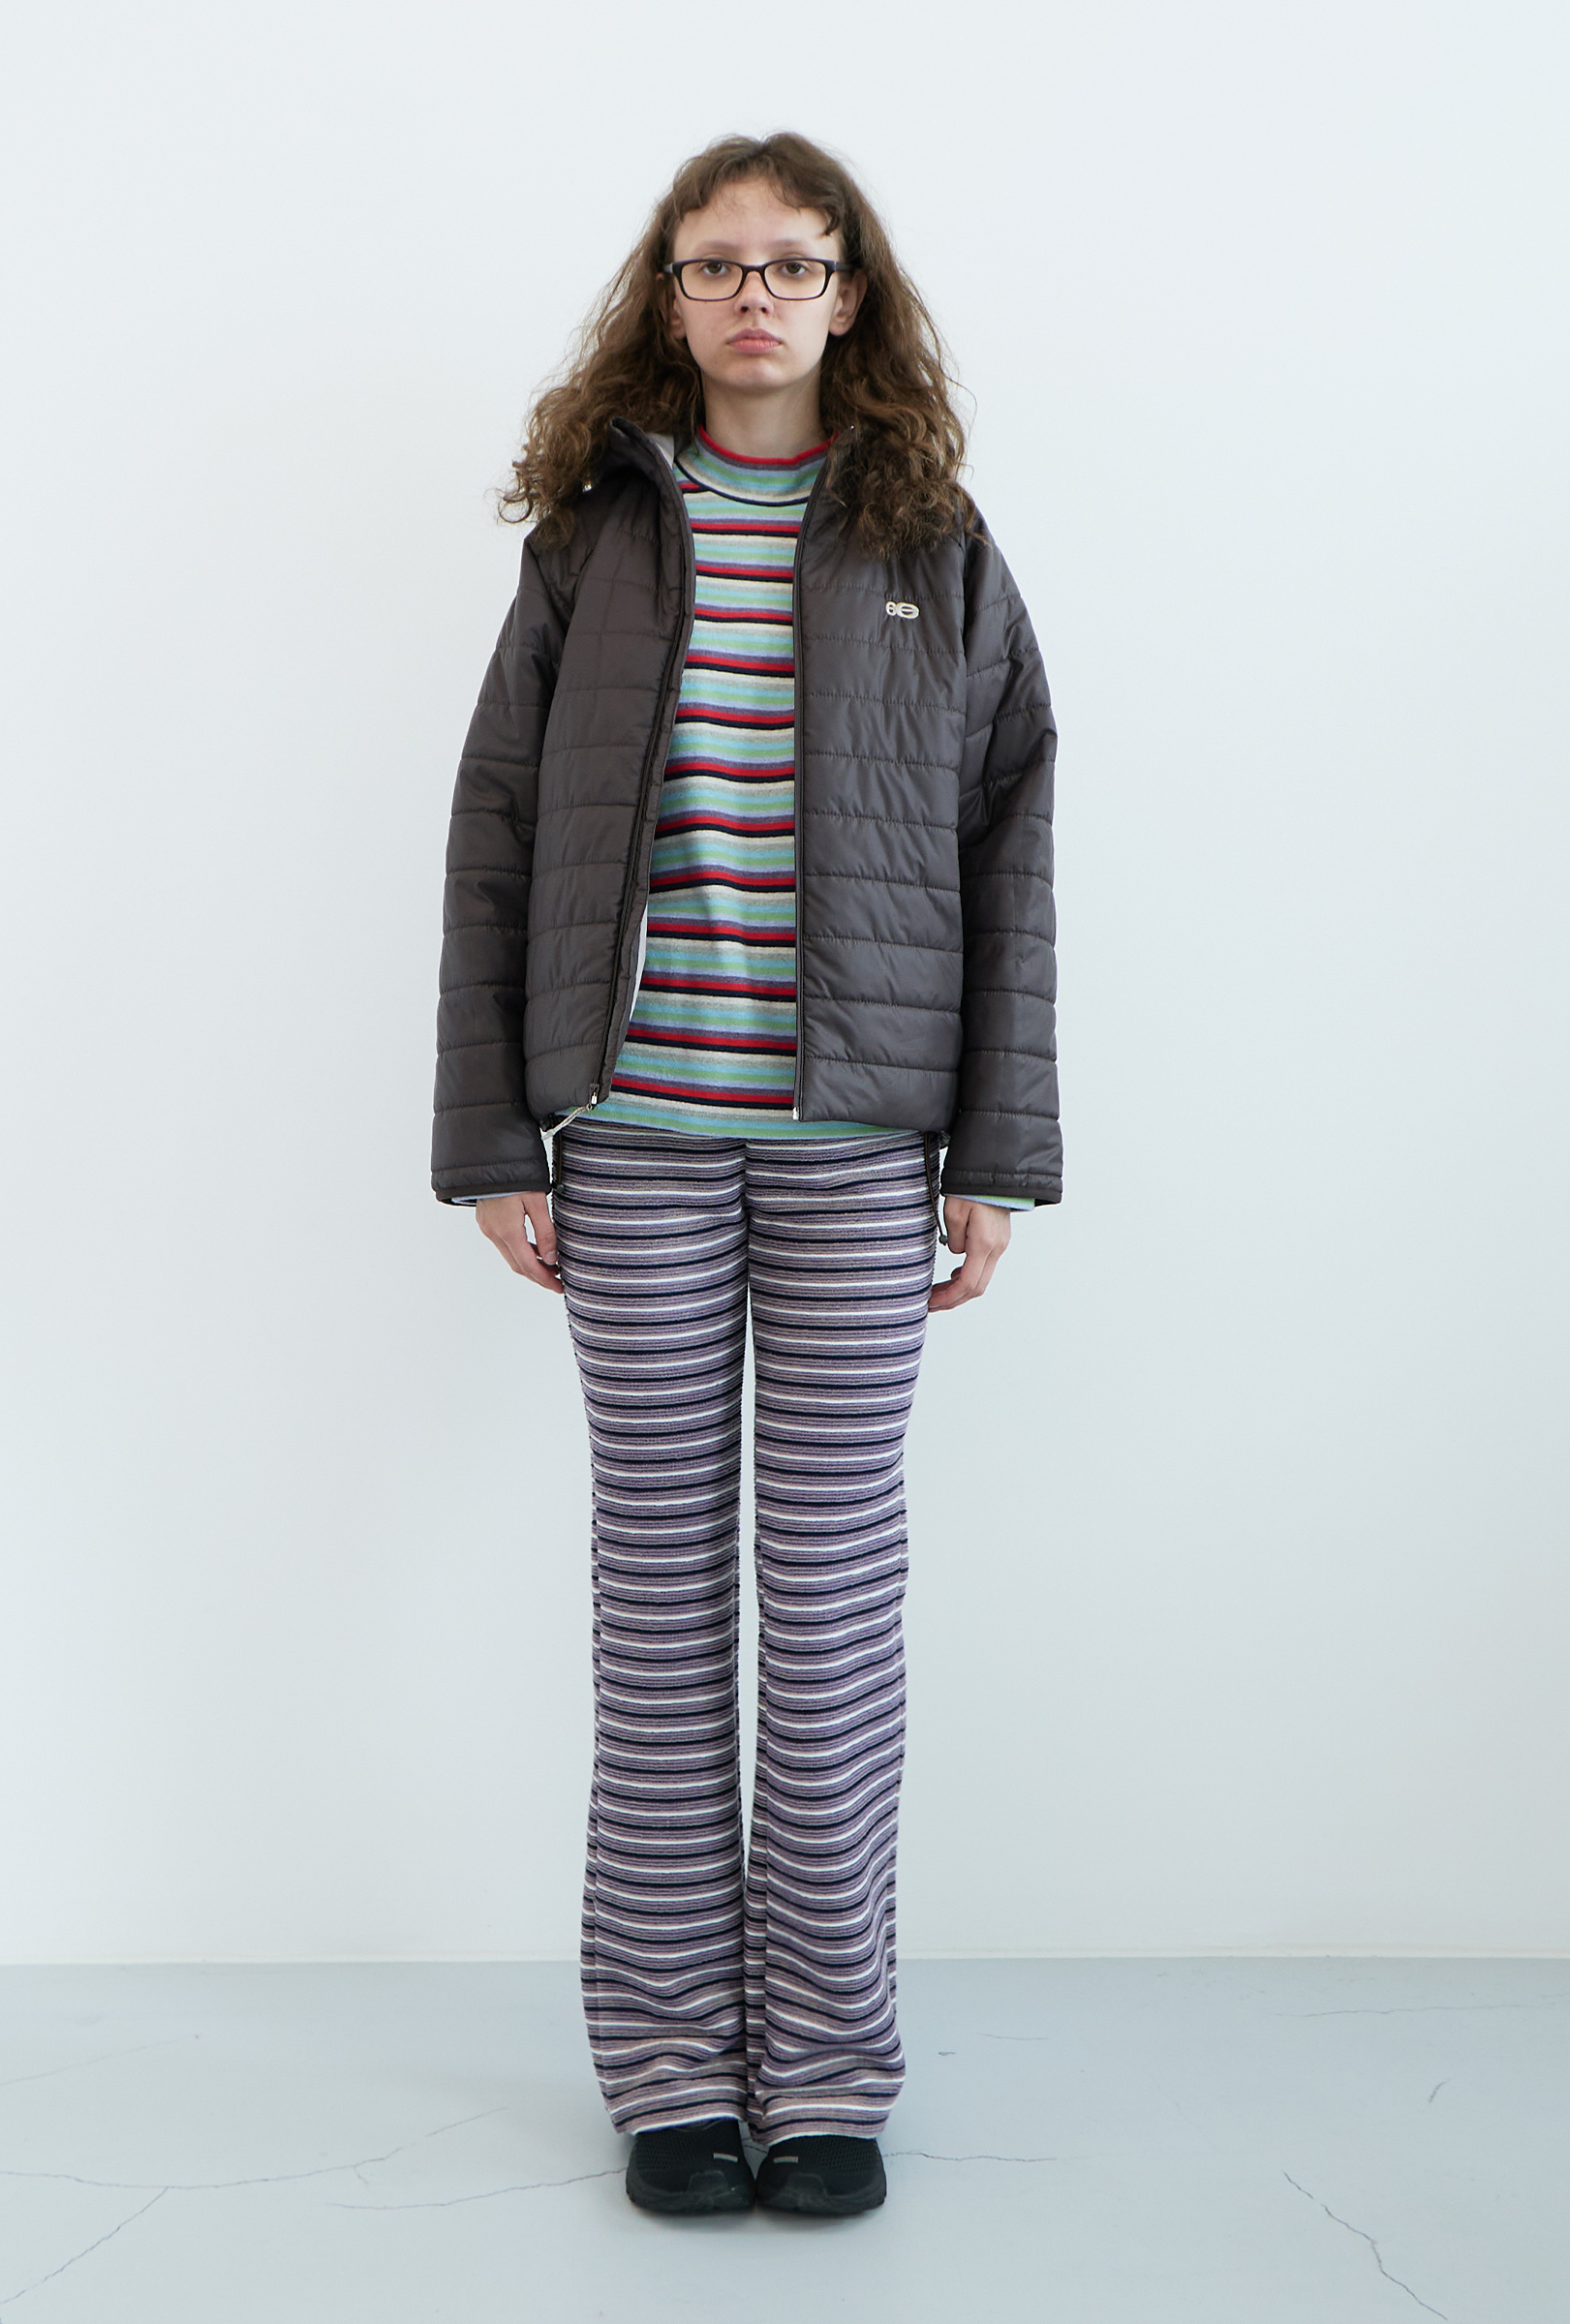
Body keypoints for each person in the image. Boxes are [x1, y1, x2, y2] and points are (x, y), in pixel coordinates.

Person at [431, 131, 1060, 2218]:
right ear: (670, 292)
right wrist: (492, 1136)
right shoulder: (594, 539)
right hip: (630, 1145)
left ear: (850, 293)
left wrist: (995, 1153)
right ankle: (674, 2072)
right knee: (662, 1605)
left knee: (834, 1611)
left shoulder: (931, 538)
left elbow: (1011, 844)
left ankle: (832, 2075)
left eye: (794, 264)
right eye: (717, 264)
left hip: (862, 1153)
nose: (755, 296)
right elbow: (497, 827)